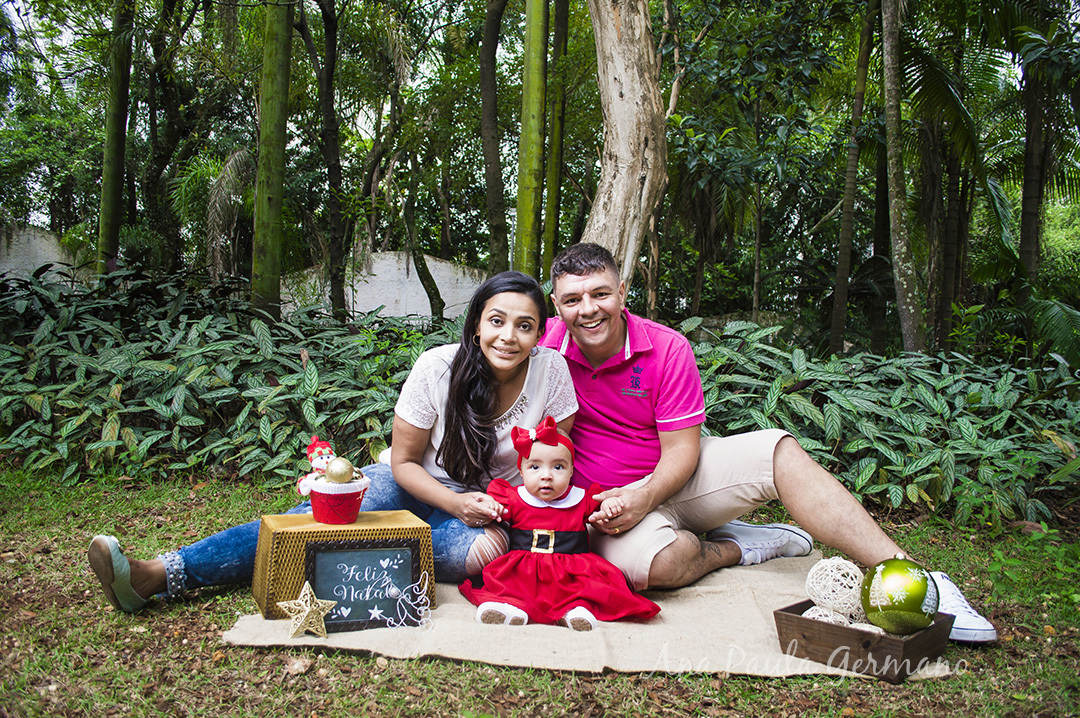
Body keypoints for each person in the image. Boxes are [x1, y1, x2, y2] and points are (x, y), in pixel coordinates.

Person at [537, 242, 997, 643]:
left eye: (600, 293)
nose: (588, 308)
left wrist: (646, 495)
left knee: (777, 449)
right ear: (557, 306)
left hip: (674, 478)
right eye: (572, 299)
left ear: (622, 293)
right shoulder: (544, 349)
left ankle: (916, 576)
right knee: (659, 569)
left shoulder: (666, 347)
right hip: (602, 505)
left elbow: (681, 451)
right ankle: (742, 546)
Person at [88, 271, 578, 612]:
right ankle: (160, 574)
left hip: (488, 509)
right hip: (415, 484)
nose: (508, 336)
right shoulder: (438, 367)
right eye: (497, 320)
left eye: (525, 325)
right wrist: (451, 502)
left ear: (540, 332)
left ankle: (362, 545)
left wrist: (501, 507)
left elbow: (552, 464)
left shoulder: (551, 373)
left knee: (484, 557)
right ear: (476, 324)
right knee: (326, 517)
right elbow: (405, 462)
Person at [459, 416, 660, 630]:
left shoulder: (581, 499)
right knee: (510, 587)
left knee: (584, 590)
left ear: (571, 471)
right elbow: (491, 509)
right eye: (535, 467)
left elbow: (600, 510)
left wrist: (609, 505)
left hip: (571, 570)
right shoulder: (514, 498)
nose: (546, 476)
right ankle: (510, 609)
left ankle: (576, 611)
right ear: (521, 471)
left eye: (558, 467)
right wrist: (492, 508)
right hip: (525, 569)